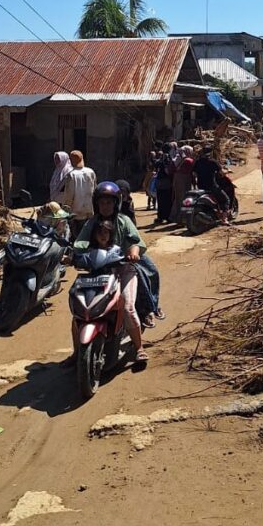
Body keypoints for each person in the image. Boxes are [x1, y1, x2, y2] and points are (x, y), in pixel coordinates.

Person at [73, 181, 150, 367]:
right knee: (80, 312)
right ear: (96, 204)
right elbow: (80, 242)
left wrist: (134, 252)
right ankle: (76, 353)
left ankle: (139, 348)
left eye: (109, 203)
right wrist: (75, 254)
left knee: (127, 307)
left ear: (116, 203)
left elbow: (136, 241)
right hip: (98, 271)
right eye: (102, 203)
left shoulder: (124, 220)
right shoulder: (92, 223)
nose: (105, 206)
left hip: (124, 270)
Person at [62, 150, 97, 239]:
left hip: (76, 213)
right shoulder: (91, 172)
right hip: (89, 210)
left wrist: (65, 210)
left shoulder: (71, 175)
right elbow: (95, 189)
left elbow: (69, 196)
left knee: (77, 238)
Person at [194, 145, 230, 221]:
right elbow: (221, 173)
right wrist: (227, 171)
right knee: (226, 199)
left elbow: (195, 174)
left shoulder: (197, 162)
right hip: (212, 186)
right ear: (210, 153)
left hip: (200, 186)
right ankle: (224, 219)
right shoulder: (213, 162)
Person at [170, 145, 195, 222]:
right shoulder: (188, 160)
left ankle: (174, 216)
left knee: (178, 198)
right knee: (184, 199)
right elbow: (192, 172)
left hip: (177, 179)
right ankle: (182, 218)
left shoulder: (179, 158)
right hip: (184, 180)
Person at [154, 145, 176, 225]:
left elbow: (156, 165)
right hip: (166, 181)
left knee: (160, 199)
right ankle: (168, 217)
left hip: (159, 181)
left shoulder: (160, 157)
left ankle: (160, 216)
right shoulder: (168, 157)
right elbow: (169, 169)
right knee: (167, 199)